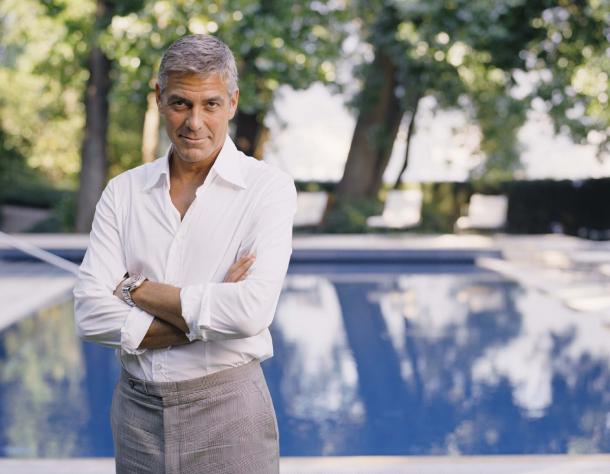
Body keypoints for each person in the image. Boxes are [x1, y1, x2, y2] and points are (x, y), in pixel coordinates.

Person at [73, 34, 296, 474]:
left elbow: (251, 312)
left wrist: (136, 289)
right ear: (158, 99)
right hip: (136, 416)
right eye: (180, 104)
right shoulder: (123, 192)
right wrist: (209, 314)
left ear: (232, 103)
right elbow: (89, 314)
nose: (195, 122)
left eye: (210, 104)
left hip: (229, 413)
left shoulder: (267, 189)